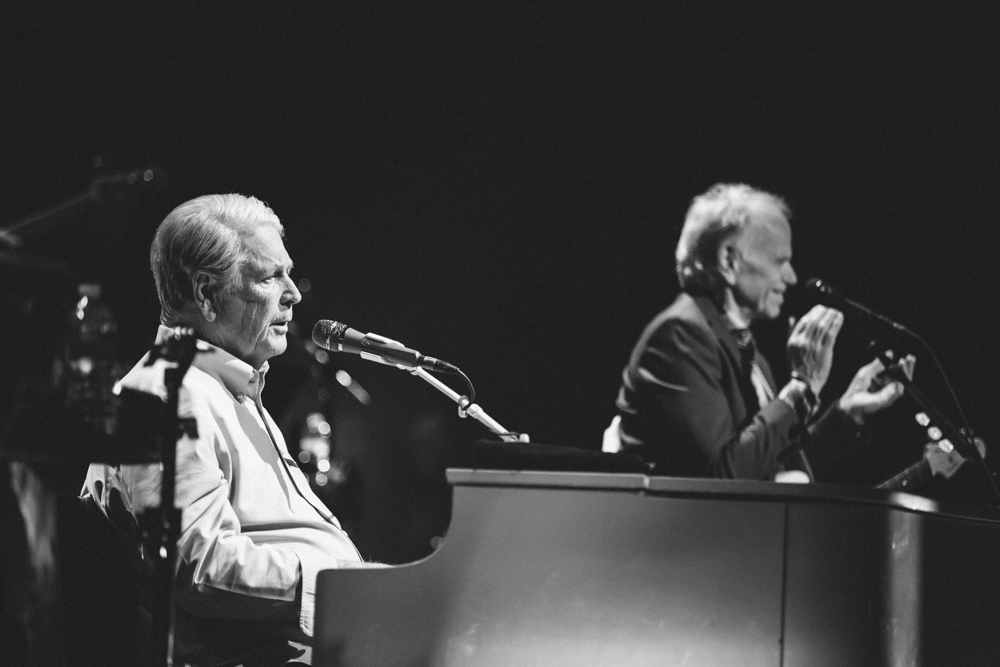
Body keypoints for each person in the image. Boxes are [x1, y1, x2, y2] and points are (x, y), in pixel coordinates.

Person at [83, 194, 372, 666]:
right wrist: (342, 586)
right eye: (269, 276)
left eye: (288, 272)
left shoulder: (226, 388)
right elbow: (198, 564)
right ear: (204, 294)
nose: (294, 293)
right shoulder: (167, 395)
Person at [610, 183, 906, 481]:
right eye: (780, 261)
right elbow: (721, 479)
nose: (791, 278)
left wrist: (845, 414)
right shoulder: (681, 336)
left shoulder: (747, 351)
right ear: (729, 260)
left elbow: (774, 473)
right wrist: (801, 387)